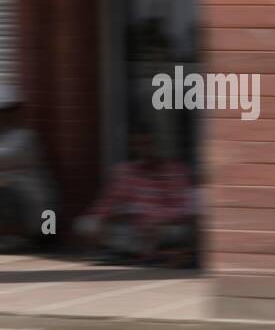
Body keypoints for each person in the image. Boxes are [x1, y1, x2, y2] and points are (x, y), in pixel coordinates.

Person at [73, 131, 196, 267]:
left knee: (180, 231)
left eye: (148, 144)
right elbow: (108, 201)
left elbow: (185, 206)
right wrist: (101, 218)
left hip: (165, 225)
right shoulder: (125, 171)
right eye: (139, 145)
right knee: (86, 224)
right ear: (133, 148)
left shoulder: (174, 169)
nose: (144, 149)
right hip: (134, 226)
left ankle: (151, 253)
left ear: (158, 146)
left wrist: (160, 220)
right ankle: (142, 253)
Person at [0, 98, 56, 250]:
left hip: (31, 190)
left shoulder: (25, 136)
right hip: (17, 186)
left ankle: (26, 237)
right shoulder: (4, 136)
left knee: (5, 193)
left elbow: (8, 156)